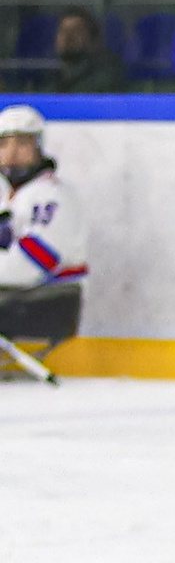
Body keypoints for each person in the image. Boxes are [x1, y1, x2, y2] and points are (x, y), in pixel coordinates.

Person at [0, 106, 88, 376]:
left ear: (39, 147)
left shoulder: (50, 197)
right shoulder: (11, 195)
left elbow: (33, 264)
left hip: (46, 300)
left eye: (23, 143)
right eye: (4, 143)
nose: (12, 153)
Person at [47, 10, 128, 94]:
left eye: (76, 31)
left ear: (92, 40)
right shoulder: (49, 78)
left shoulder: (105, 80)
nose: (68, 36)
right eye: (63, 30)